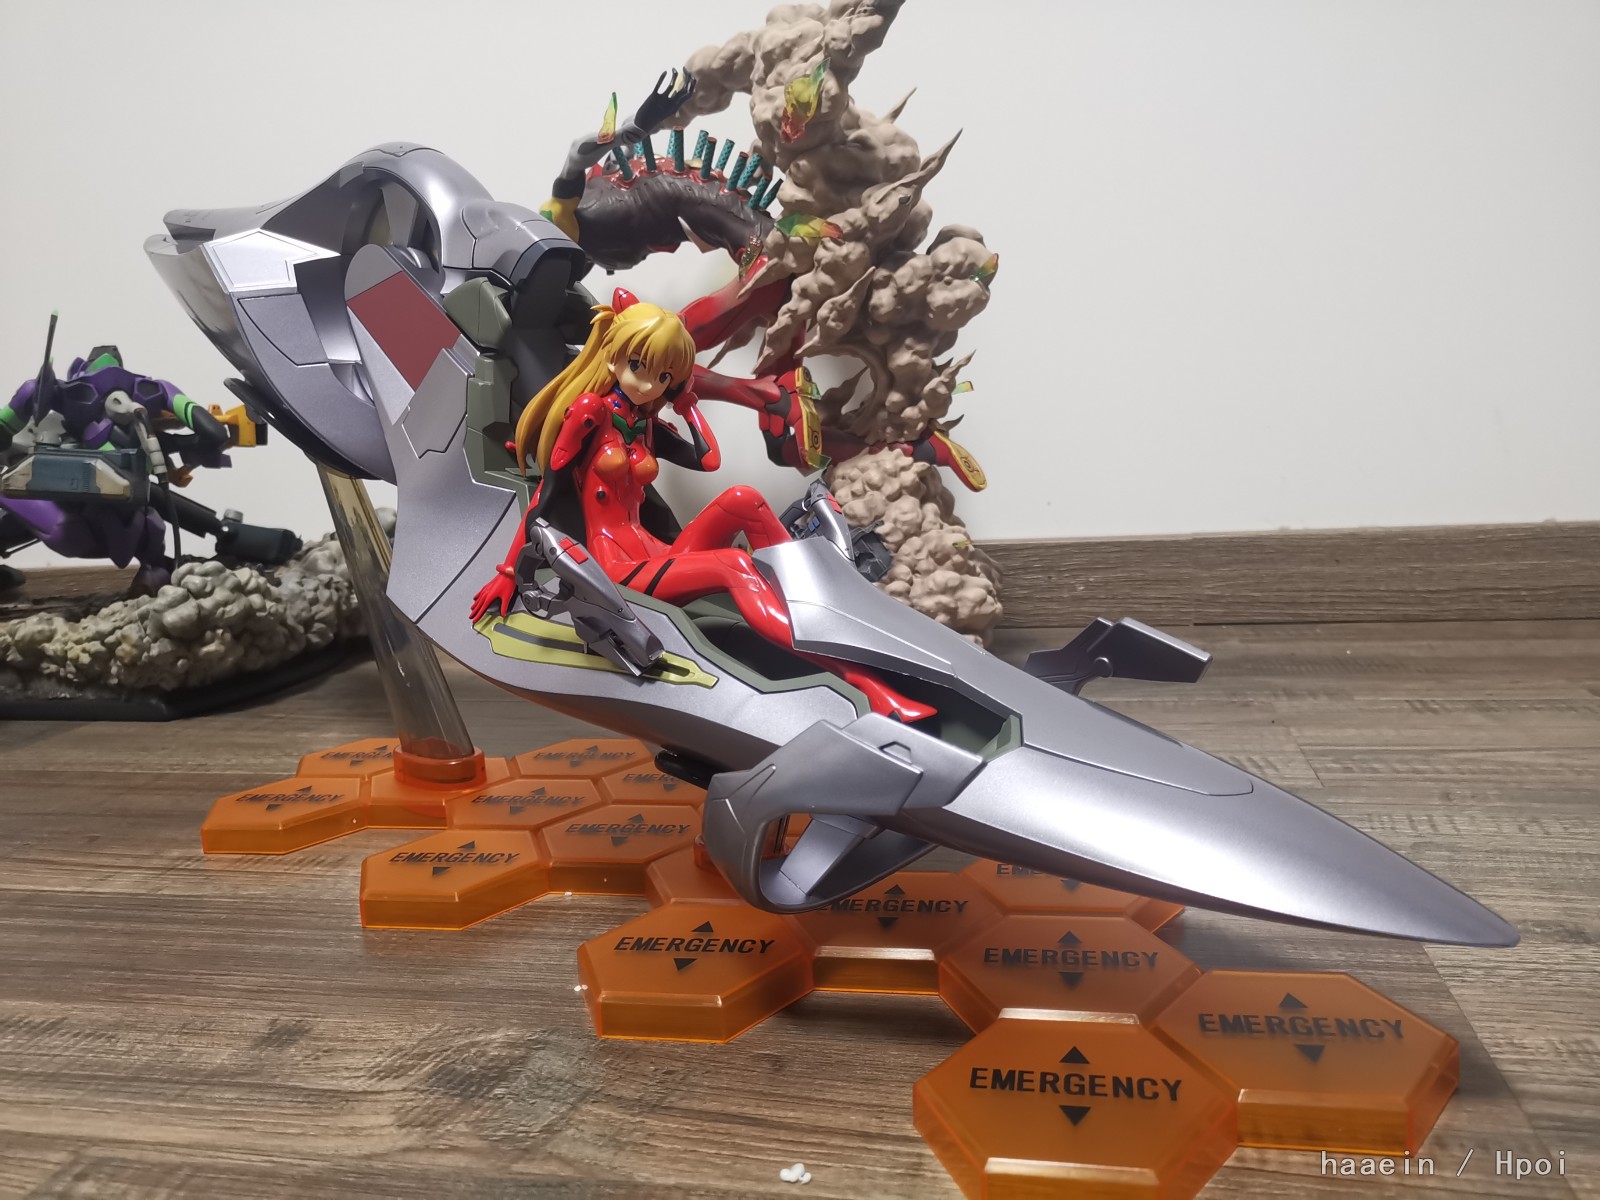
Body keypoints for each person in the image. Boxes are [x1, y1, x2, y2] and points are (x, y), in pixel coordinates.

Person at [470, 288, 932, 722]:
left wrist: (688, 405)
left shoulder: (643, 422)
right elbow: (545, 495)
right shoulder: (591, 411)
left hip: (654, 550)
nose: (650, 385)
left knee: (744, 499)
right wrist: (509, 572)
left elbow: (707, 460)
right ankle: (863, 683)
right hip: (617, 568)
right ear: (613, 357)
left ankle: (824, 601)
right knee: (735, 565)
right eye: (640, 367)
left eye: (664, 377)